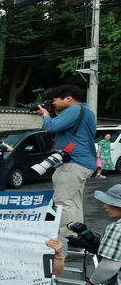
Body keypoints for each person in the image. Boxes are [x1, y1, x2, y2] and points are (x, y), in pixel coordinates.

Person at [37, 84, 97, 249]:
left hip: (74, 162)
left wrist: (45, 115)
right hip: (83, 162)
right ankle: (79, 233)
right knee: (74, 201)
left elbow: (52, 126)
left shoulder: (74, 110)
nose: (53, 103)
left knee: (62, 200)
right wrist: (50, 113)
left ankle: (69, 236)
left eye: (55, 100)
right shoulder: (86, 111)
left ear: (68, 98)